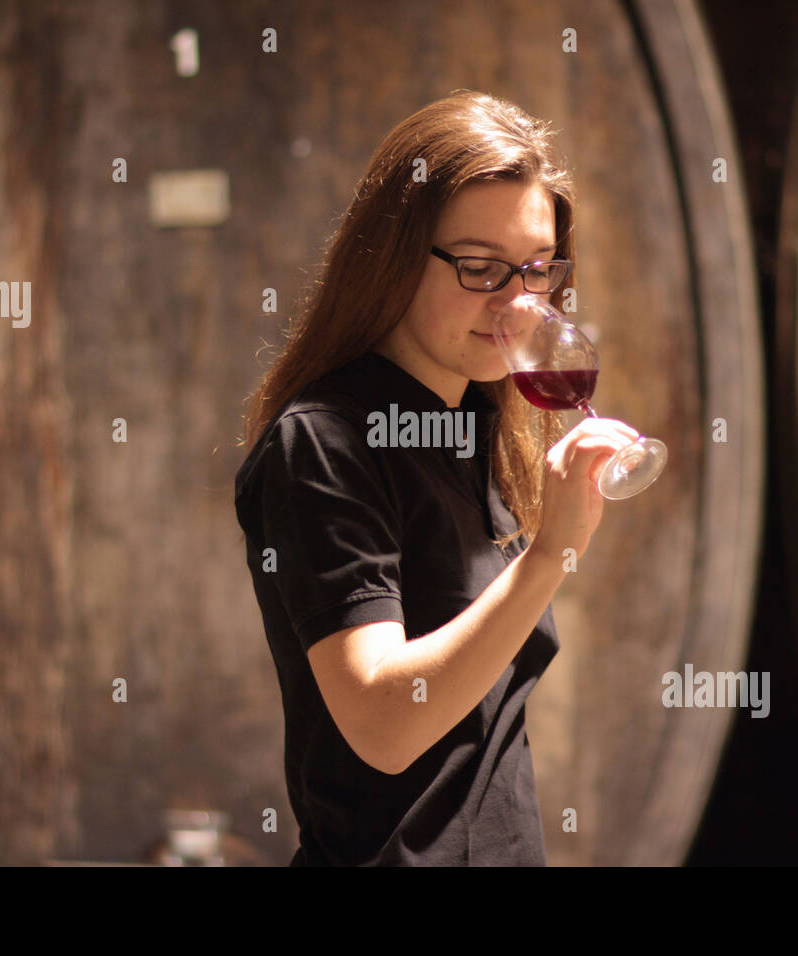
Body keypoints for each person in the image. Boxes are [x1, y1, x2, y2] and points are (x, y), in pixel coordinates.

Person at [233, 90, 638, 865]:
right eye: (481, 269)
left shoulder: (467, 429)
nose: (520, 305)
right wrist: (549, 555)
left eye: (538, 270)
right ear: (391, 258)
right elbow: (385, 725)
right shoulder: (324, 440)